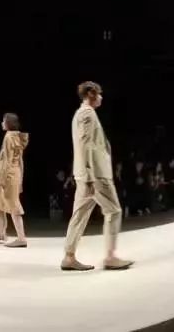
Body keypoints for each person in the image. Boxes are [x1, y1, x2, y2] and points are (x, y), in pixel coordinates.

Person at [61, 81, 133, 271]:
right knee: (114, 211)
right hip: (95, 175)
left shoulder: (81, 113)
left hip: (86, 173)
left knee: (80, 215)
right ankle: (110, 257)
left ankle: (69, 256)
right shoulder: (87, 114)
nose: (101, 97)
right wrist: (90, 176)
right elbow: (85, 145)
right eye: (99, 94)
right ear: (91, 94)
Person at [0, 113, 30, 248]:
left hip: (8, 177)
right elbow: (20, 161)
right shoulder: (17, 137)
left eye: (3, 121)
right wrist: (20, 180)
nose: (2, 123)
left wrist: (1, 181)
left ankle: (21, 238)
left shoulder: (8, 137)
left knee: (14, 206)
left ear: (8, 124)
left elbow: (7, 161)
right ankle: (1, 233)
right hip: (14, 175)